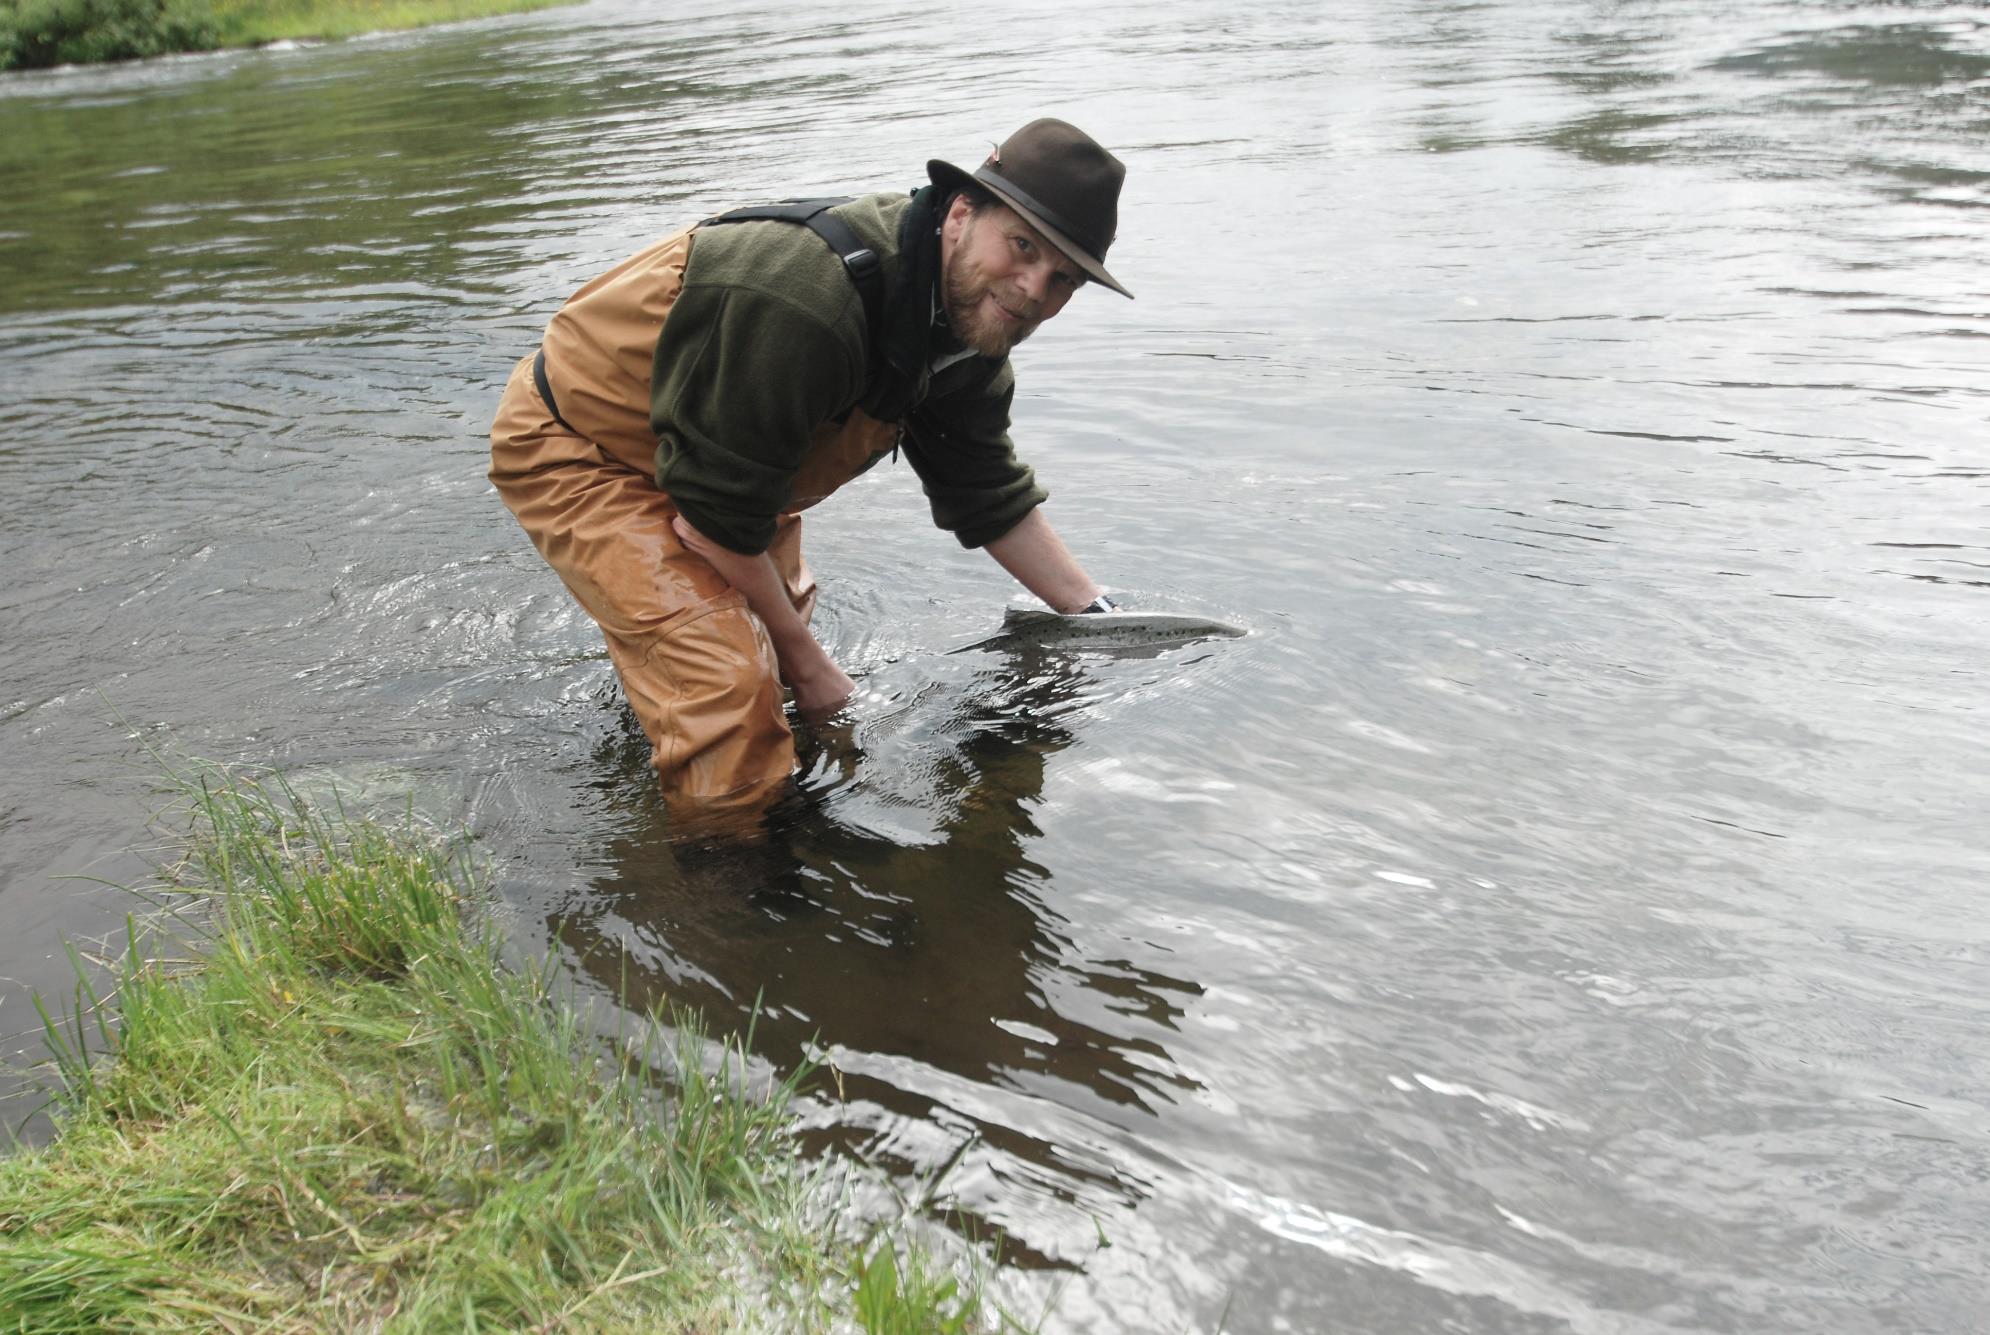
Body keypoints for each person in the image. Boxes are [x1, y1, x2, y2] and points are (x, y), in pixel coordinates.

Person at [489, 118, 1131, 833]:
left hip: (728, 455)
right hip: (585, 444)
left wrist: (1095, 617)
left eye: (1062, 279)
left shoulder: (968, 328)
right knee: (732, 691)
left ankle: (710, 751)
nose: (1032, 291)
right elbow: (715, 520)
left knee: (774, 652)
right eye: (1022, 248)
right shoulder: (810, 297)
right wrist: (814, 667)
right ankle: (725, 899)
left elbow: (986, 492)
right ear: (960, 212)